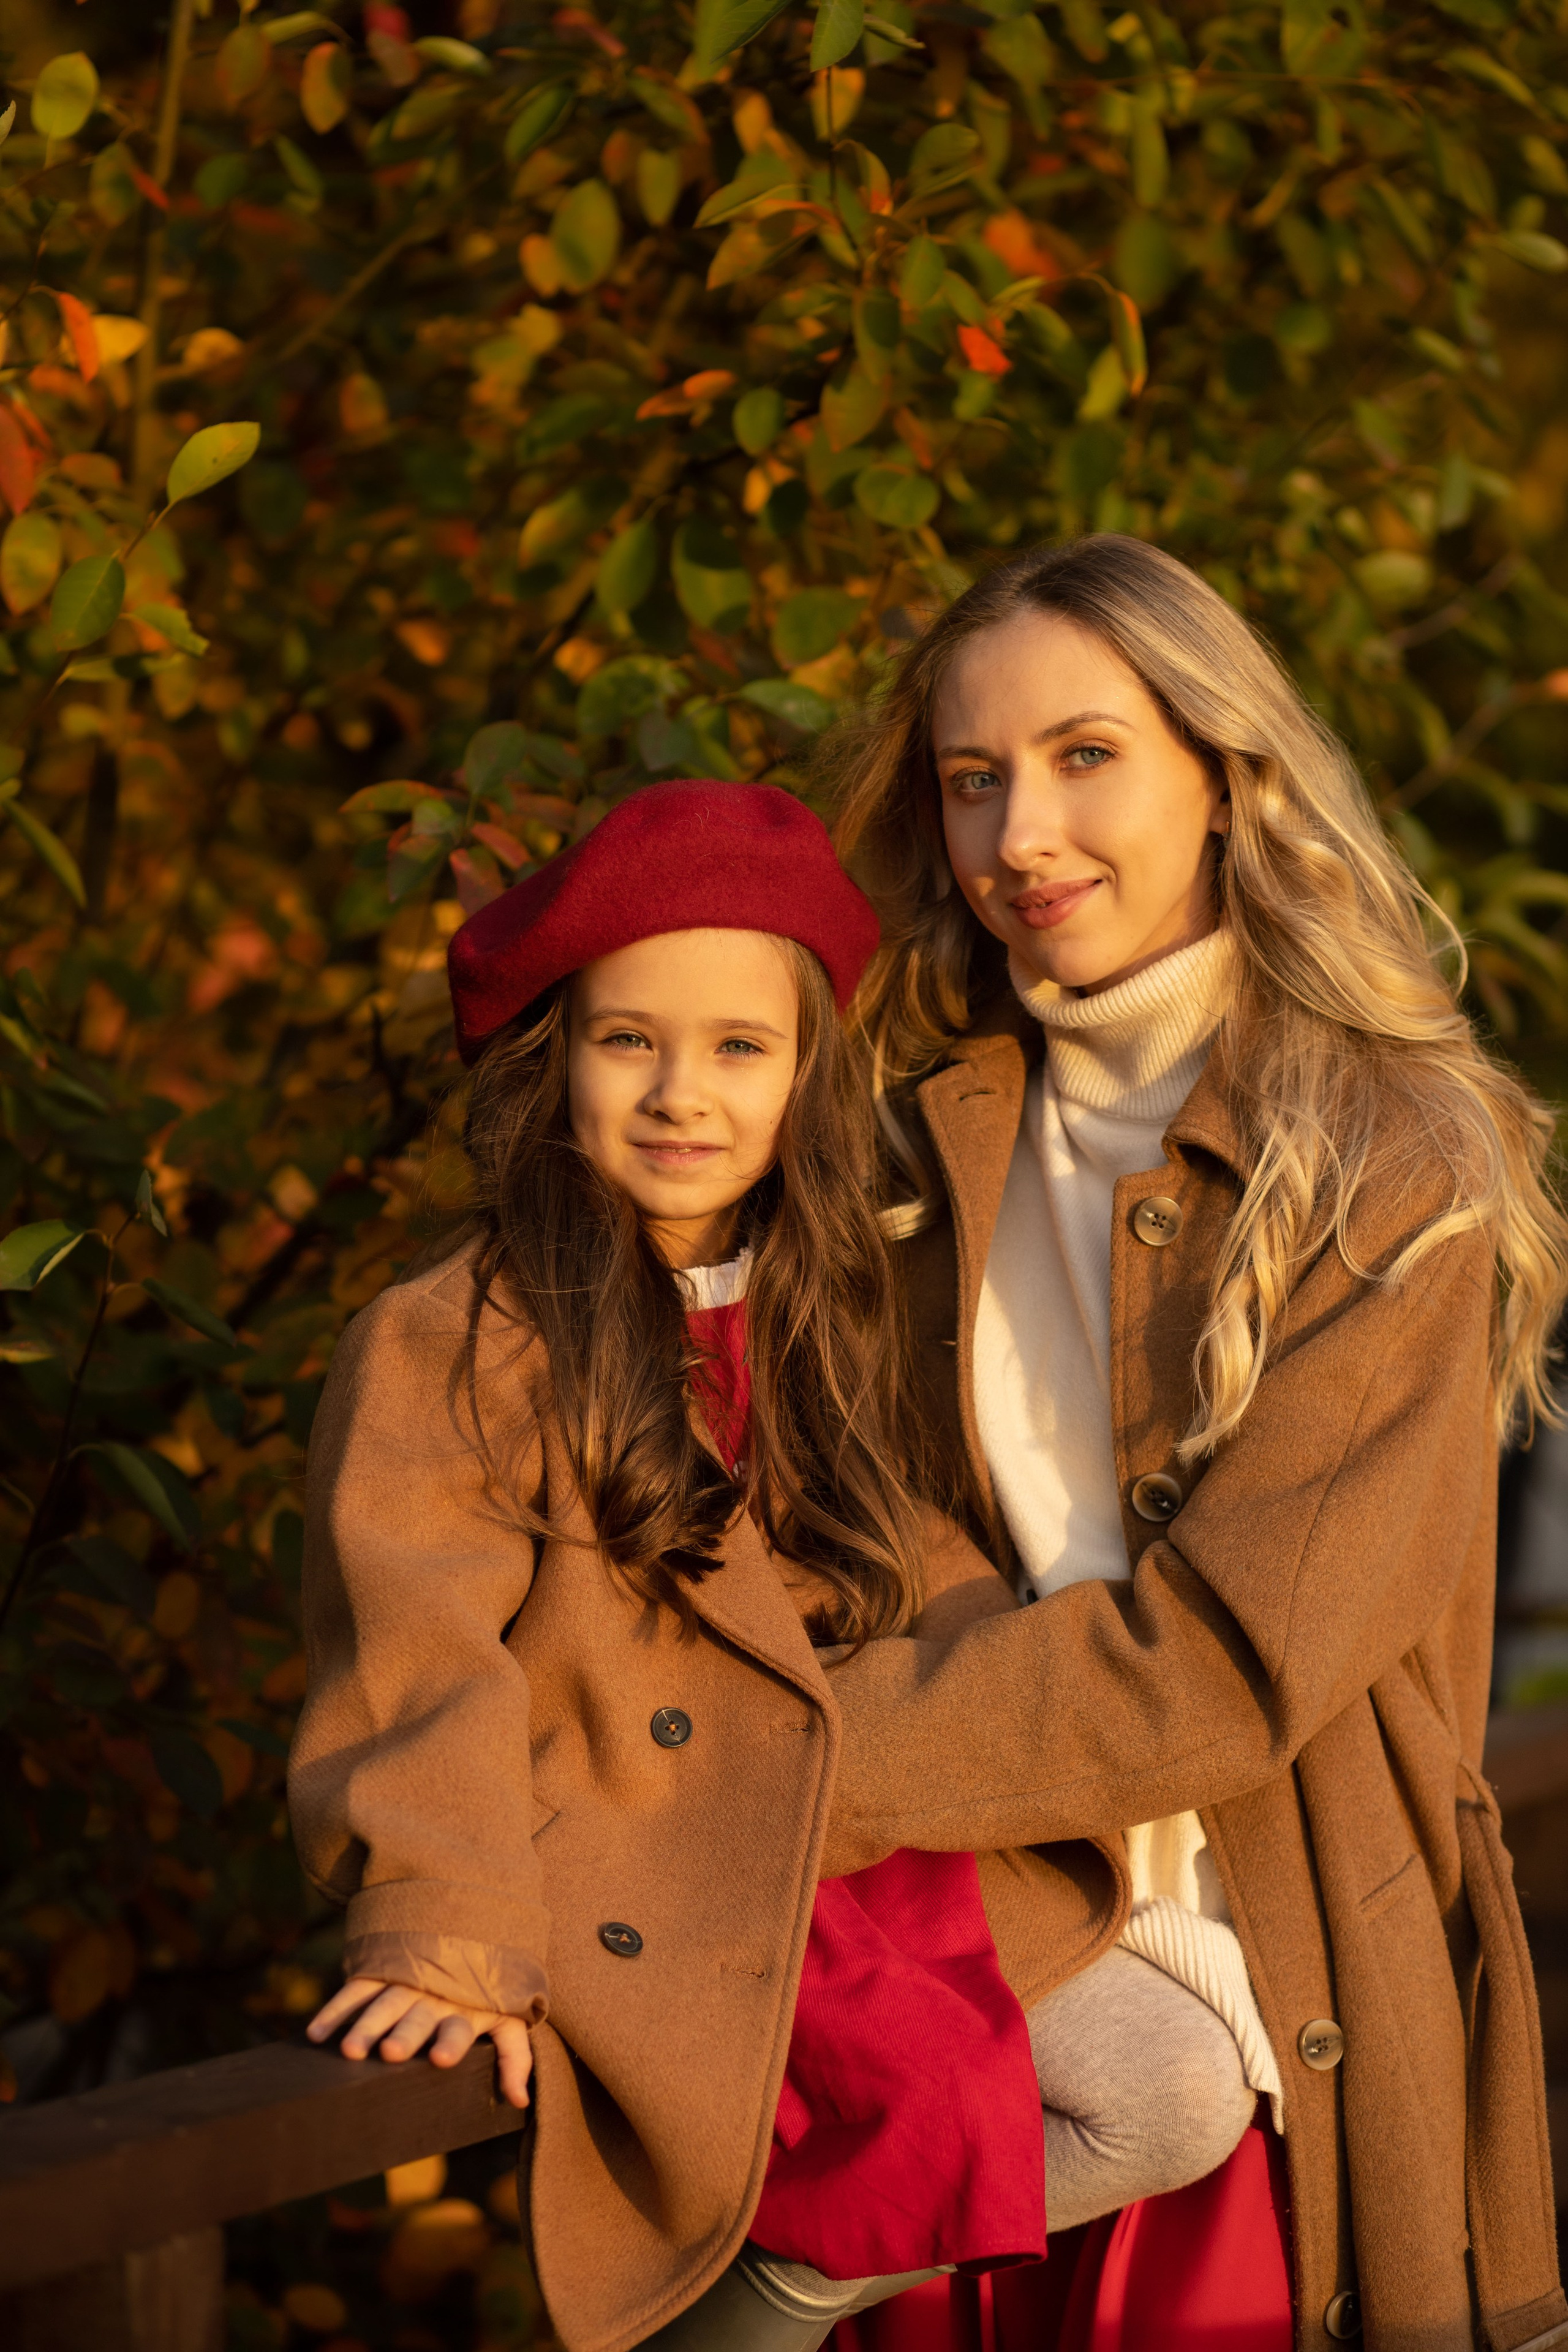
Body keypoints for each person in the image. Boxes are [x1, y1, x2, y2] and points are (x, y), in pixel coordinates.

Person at [288, 782, 1261, 2352]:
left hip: (840, 1839)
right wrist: (442, 1916)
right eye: (628, 1041)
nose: (682, 1094)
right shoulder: (455, 1338)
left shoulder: (817, 1299)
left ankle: (771, 2303)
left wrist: (1037, 1777)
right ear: (556, 1056)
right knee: (1048, 2092)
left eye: (740, 1047)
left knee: (1181, 2081)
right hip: (638, 1857)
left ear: (805, 1074)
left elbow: (920, 1567)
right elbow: (417, 1653)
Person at [822, 534, 1568, 2351]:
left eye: (1086, 756)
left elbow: (1229, 1664)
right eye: (973, 779)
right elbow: (843, 1535)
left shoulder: (1395, 1161)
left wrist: (767, 1774)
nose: (1019, 835)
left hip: (1270, 2014)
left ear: (1227, 777)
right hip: (977, 1981)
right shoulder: (899, 1142)